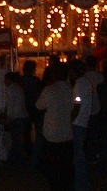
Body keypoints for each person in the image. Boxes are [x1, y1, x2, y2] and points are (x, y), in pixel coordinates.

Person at [36, 63, 73, 191]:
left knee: (53, 163)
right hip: (67, 132)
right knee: (65, 163)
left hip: (52, 132)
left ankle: (55, 185)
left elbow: (39, 106)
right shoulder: (70, 89)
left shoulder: (49, 90)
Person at [70, 59, 92, 191]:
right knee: (80, 153)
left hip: (78, 122)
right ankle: (82, 182)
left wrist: (71, 120)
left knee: (78, 154)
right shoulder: (86, 83)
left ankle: (80, 183)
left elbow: (77, 104)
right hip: (84, 121)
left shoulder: (79, 84)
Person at [3, 71, 29, 164]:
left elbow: (11, 106)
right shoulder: (17, 88)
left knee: (15, 139)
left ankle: (16, 159)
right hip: (21, 116)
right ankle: (17, 158)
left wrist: (8, 117)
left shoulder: (12, 90)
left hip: (17, 117)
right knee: (17, 139)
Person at [21, 59, 43, 163]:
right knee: (38, 129)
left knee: (26, 130)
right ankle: (37, 150)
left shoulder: (21, 80)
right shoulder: (36, 80)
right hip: (34, 107)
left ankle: (28, 150)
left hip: (26, 106)